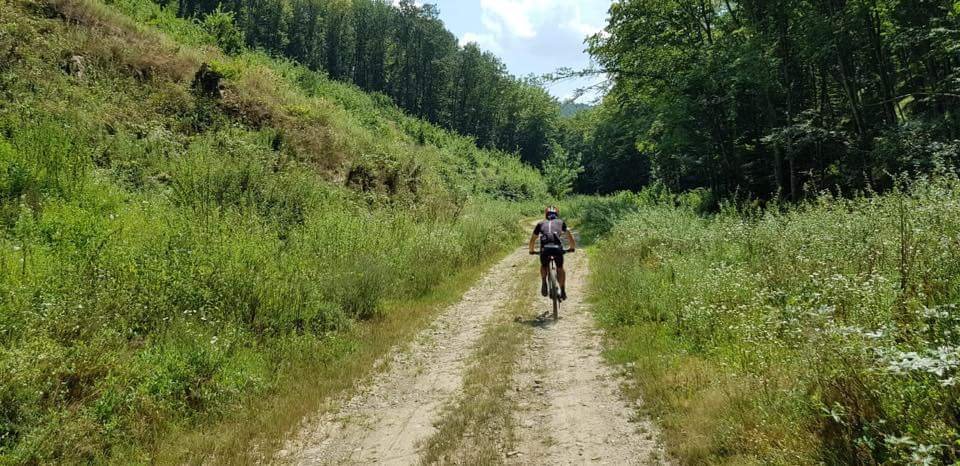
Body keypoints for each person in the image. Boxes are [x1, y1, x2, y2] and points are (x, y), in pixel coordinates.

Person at [529, 206, 576, 300]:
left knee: (544, 265)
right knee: (560, 267)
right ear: (557, 214)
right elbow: (569, 235)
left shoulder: (540, 223)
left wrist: (532, 250)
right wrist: (572, 247)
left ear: (546, 215)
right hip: (557, 248)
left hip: (545, 249)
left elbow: (533, 239)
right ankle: (562, 290)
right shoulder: (561, 222)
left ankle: (544, 282)